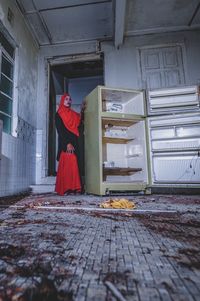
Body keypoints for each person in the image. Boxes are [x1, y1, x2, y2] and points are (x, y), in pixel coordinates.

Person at [55, 93, 84, 195]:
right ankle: (66, 188)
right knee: (69, 163)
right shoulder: (58, 114)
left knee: (75, 164)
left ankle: (74, 188)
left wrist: (83, 109)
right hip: (65, 143)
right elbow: (60, 131)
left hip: (75, 142)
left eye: (70, 99)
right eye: (66, 99)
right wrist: (67, 143)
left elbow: (80, 120)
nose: (68, 101)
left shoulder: (72, 114)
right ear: (62, 100)